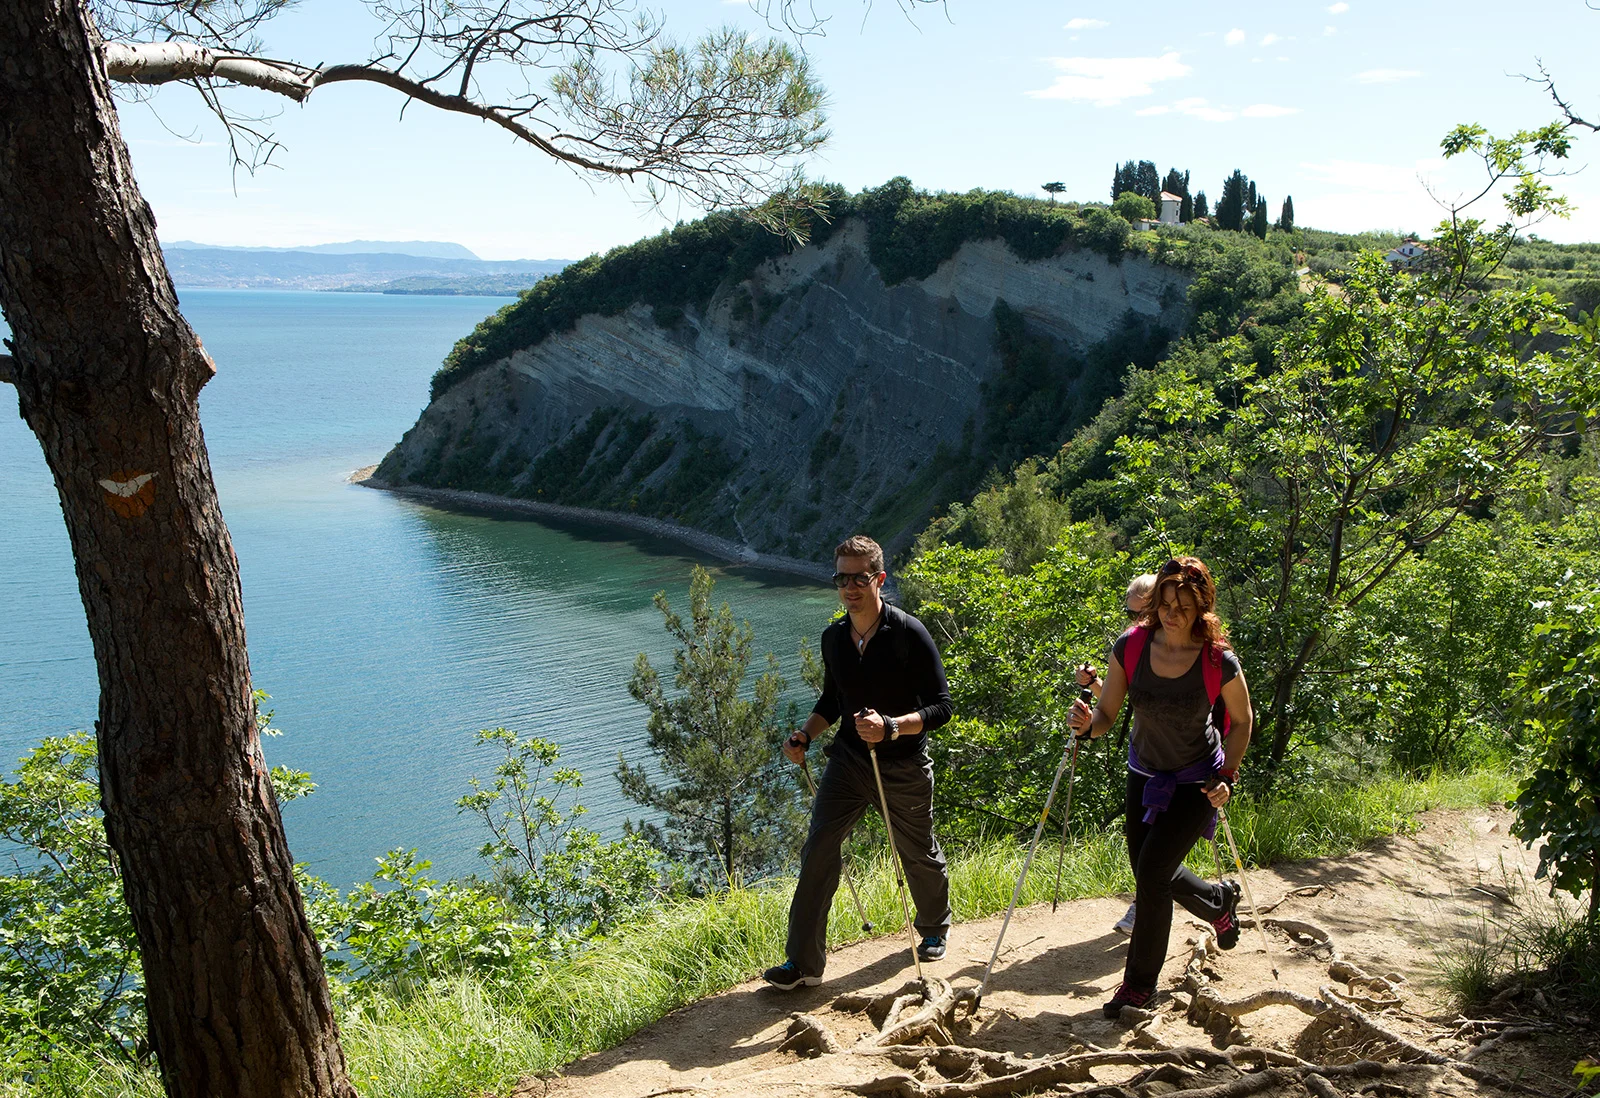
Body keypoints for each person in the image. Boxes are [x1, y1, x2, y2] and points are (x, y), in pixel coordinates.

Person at [763, 535, 955, 990]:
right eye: (841, 577)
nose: (849, 586)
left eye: (859, 577)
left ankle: (933, 926)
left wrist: (892, 726)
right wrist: (805, 735)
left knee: (918, 850)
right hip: (849, 761)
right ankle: (803, 964)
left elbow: (941, 707)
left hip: (903, 764)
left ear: (879, 579)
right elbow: (832, 700)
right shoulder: (834, 637)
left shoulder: (909, 632)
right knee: (818, 850)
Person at [1070, 556, 1253, 1019]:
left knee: (1152, 873)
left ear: (1201, 609)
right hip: (1146, 775)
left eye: (1183, 607)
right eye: (1165, 603)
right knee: (1152, 871)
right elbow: (1106, 717)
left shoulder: (1217, 660)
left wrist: (1226, 777)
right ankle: (1218, 901)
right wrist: (1088, 724)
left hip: (1197, 780)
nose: (1171, 614)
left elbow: (1243, 721)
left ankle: (1138, 987)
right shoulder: (1131, 646)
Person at [1076, 571, 1157, 937]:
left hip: (1187, 761)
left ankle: (1154, 906)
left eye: (1140, 613)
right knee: (1140, 841)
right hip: (1143, 757)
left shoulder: (1180, 648)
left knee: (1158, 849)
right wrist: (1093, 687)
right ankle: (1198, 899)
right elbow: (1119, 700)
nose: (1135, 622)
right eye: (1130, 615)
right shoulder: (1133, 646)